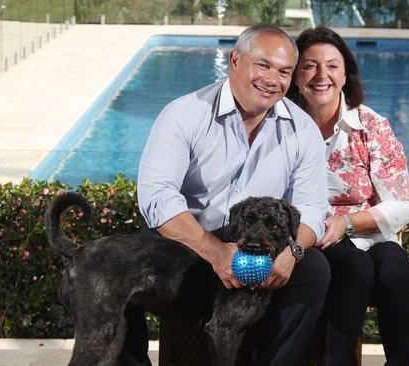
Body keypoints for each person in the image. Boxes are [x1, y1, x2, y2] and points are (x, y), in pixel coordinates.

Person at [130, 24, 331, 366]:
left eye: (284, 72)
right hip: (189, 244)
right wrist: (213, 250)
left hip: (262, 252)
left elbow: (312, 207)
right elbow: (157, 195)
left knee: (315, 270)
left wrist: (293, 252)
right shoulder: (184, 113)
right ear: (235, 60)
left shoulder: (302, 129)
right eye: (263, 65)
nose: (272, 80)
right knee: (119, 270)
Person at [287, 26, 409, 366]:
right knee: (355, 269)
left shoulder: (372, 126)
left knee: (394, 272)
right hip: (312, 234)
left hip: (367, 231)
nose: (321, 75)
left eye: (332, 65)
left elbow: (403, 204)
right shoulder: (281, 123)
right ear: (295, 75)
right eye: (310, 65)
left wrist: (346, 222)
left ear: (346, 74)